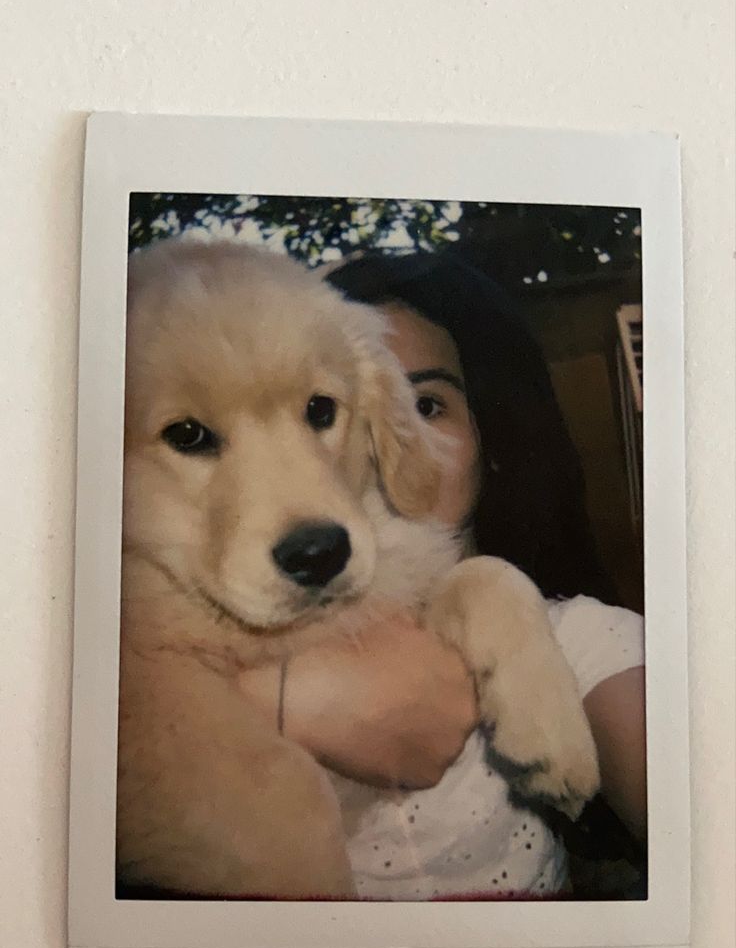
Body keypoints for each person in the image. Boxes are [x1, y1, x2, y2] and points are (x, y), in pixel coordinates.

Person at [239, 250, 647, 899]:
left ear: (492, 438)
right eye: (332, 411)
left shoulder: (578, 635)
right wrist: (293, 702)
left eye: (426, 405)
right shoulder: (219, 625)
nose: (389, 441)